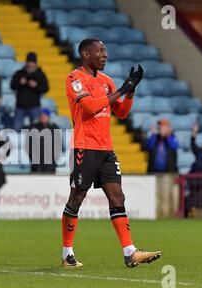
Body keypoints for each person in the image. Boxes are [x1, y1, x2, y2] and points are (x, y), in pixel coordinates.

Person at [61, 38, 161, 268]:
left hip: (106, 148)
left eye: (105, 50)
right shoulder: (75, 78)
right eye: (100, 51)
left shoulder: (106, 81)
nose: (105, 54)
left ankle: (130, 252)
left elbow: (123, 113)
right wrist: (122, 89)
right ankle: (67, 253)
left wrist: (131, 91)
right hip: (85, 147)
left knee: (118, 197)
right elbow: (89, 107)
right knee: (77, 198)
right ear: (86, 54)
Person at [11, 52, 49, 131]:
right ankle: (16, 143)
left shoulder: (40, 74)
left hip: (34, 106)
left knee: (36, 129)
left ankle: (35, 143)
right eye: (29, 62)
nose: (30, 64)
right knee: (16, 128)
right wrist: (19, 83)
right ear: (26, 62)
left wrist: (36, 86)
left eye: (32, 62)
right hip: (20, 106)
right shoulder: (19, 73)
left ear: (35, 63)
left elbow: (46, 88)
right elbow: (12, 86)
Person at [26, 108, 61, 173]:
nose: (43, 117)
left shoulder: (54, 128)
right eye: (41, 115)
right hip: (37, 163)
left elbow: (58, 145)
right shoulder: (33, 128)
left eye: (45, 115)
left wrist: (55, 158)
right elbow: (28, 145)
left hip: (51, 163)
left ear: (48, 117)